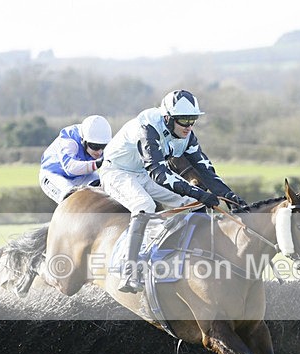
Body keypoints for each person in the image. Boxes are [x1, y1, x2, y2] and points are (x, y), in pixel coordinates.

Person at [99, 89, 248, 293]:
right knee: (144, 205)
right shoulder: (147, 128)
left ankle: (200, 257)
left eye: (192, 119)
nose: (189, 126)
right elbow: (159, 173)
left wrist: (229, 195)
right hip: (117, 172)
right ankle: (129, 270)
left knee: (192, 203)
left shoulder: (187, 135)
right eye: (184, 120)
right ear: (167, 117)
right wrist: (198, 193)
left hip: (142, 173)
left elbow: (206, 169)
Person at [39, 115, 113, 203]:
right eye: (95, 146)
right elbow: (70, 169)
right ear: (83, 141)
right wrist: (97, 164)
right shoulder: (69, 140)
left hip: (83, 175)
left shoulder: (99, 139)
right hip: (54, 175)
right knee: (71, 199)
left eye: (103, 146)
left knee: (107, 188)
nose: (100, 152)